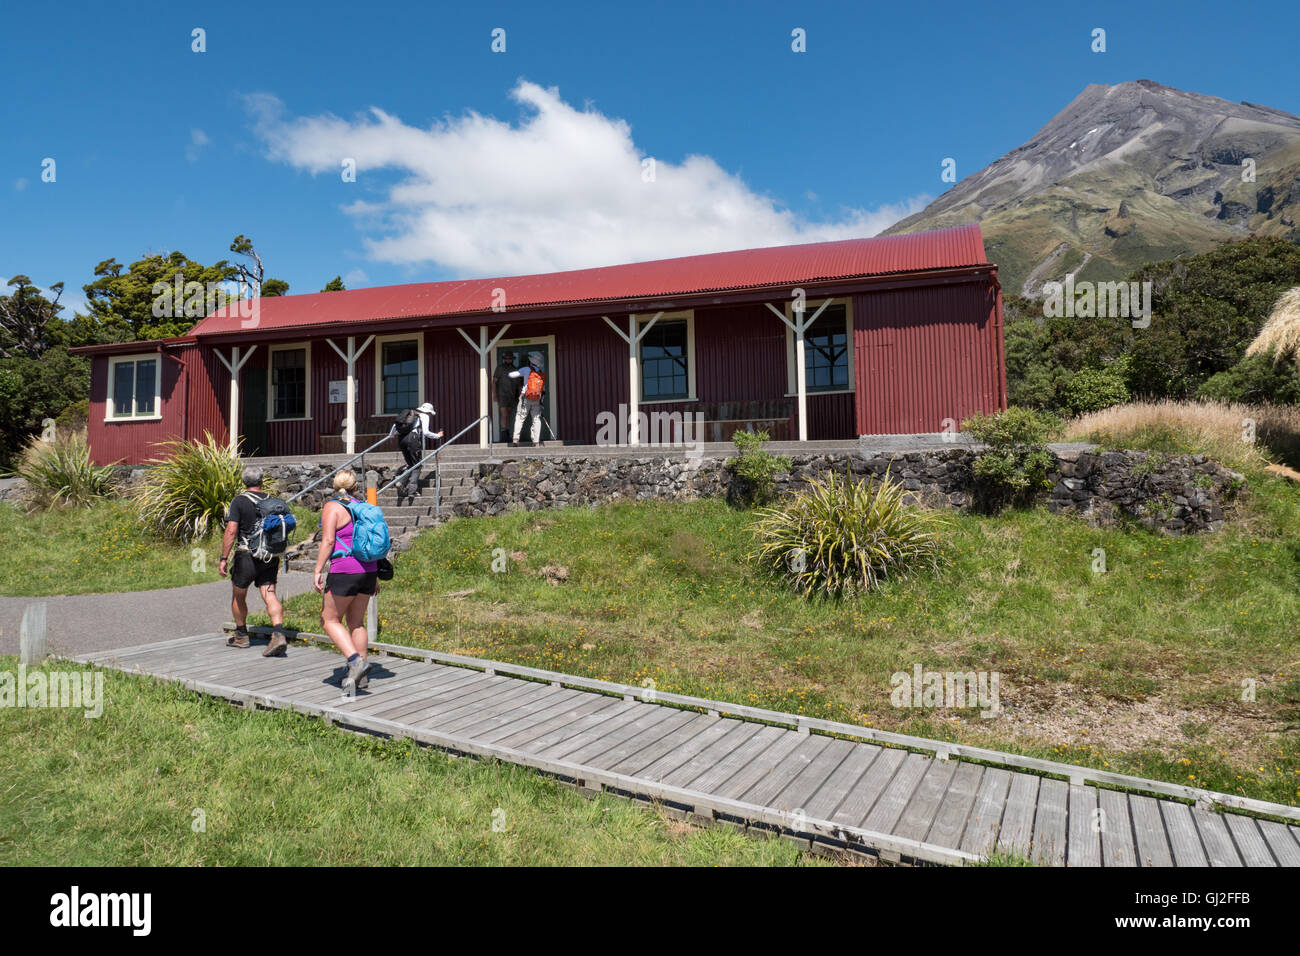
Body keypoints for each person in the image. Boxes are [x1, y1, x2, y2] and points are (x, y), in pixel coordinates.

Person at [313, 469, 378, 693]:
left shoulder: (333, 507)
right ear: (355, 487)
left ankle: (355, 662)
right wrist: (375, 574)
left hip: (345, 569)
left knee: (329, 619)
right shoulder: (362, 507)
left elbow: (329, 540)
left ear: (334, 485)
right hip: (369, 569)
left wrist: (318, 569)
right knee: (356, 622)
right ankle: (360, 677)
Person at [219, 466, 289, 657]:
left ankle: (241, 636)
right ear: (261, 481)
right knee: (270, 593)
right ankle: (278, 633)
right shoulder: (273, 502)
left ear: (244, 482)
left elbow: (231, 530)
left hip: (246, 555)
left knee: (238, 595)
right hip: (270, 556)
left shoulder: (239, 501)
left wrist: (224, 558)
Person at [388, 401, 443, 499]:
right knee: (417, 465)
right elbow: (426, 432)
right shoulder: (424, 416)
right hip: (412, 439)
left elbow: (394, 426)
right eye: (430, 413)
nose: (430, 415)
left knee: (411, 464)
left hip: (401, 439)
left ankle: (401, 482)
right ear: (428, 411)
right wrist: (437, 436)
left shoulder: (410, 413)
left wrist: (391, 435)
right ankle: (411, 490)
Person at [509, 351, 547, 447]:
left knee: (520, 417)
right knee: (536, 419)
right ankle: (536, 442)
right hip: (537, 399)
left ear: (531, 362)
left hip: (525, 398)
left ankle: (515, 439)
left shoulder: (526, 369)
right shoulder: (540, 373)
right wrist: (541, 401)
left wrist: (515, 371)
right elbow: (543, 389)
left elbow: (512, 375)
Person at [491, 351, 522, 443]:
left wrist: (521, 395)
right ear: (504, 359)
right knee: (504, 415)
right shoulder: (500, 368)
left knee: (510, 415)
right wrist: (495, 395)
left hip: (512, 396)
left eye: (510, 358)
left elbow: (519, 385)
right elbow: (494, 382)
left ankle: (509, 434)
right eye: (507, 358)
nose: (508, 359)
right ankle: (504, 436)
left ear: (512, 359)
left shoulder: (516, 369)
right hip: (502, 395)